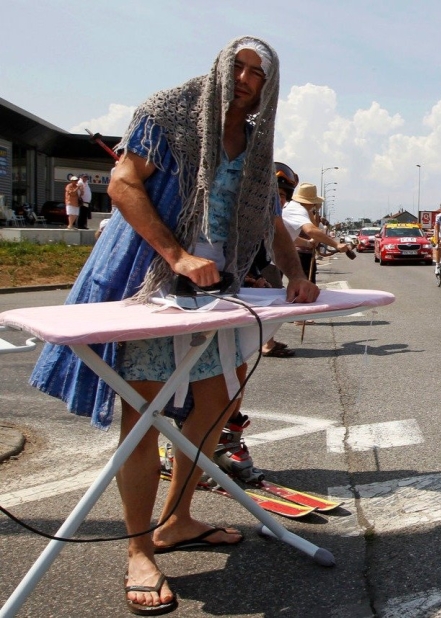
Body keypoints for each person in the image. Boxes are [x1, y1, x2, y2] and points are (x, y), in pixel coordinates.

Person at [30, 37, 318, 615]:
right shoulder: (171, 112)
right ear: (219, 67)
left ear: (270, 86)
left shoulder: (257, 141)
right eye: (236, 66)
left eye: (257, 73)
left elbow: (263, 213)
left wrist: (293, 273)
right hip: (153, 284)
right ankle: (139, 550)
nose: (243, 78)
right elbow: (122, 183)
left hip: (218, 292)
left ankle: (176, 520)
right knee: (144, 413)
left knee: (215, 401)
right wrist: (177, 256)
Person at [281, 182, 352, 282]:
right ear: (310, 202)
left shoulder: (291, 207)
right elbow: (311, 230)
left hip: (276, 258)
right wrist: (336, 245)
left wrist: (307, 243)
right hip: (274, 258)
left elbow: (286, 236)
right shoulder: (298, 210)